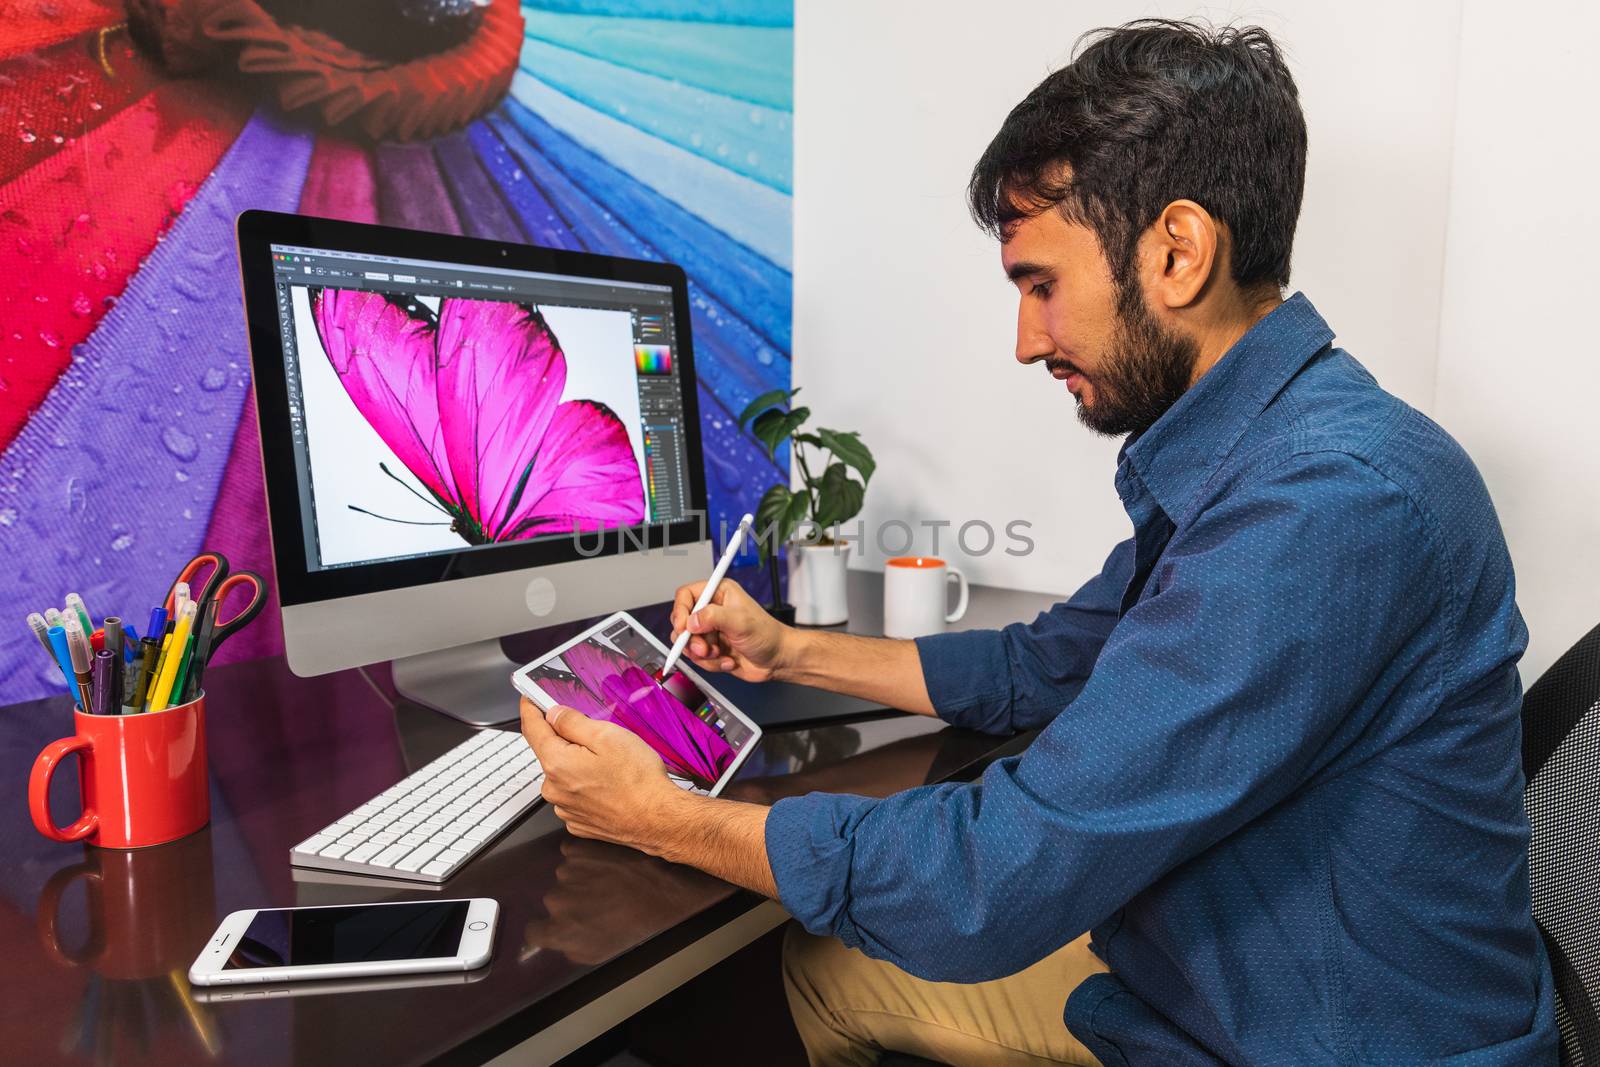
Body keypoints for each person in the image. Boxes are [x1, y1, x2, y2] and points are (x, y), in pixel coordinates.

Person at [519, 18, 1557, 1066]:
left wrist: (658, 817)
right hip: (1224, 974)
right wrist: (791, 650)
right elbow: (1046, 663)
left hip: (1294, 1036)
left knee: (790, 978)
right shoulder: (1271, 453)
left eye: (1039, 284)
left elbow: (990, 880)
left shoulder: (1326, 505)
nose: (1024, 341)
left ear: (1177, 252)